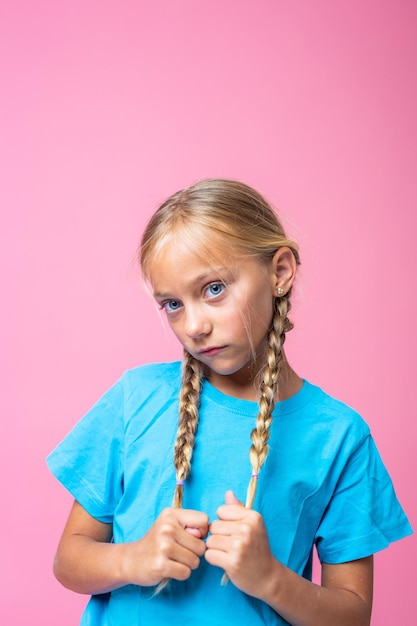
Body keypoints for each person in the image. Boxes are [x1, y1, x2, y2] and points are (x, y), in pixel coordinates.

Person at [47, 178, 412, 626]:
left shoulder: (340, 436)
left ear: (279, 273)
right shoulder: (135, 397)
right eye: (172, 304)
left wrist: (270, 579)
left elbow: (352, 616)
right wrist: (134, 559)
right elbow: (69, 560)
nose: (194, 325)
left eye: (214, 289)